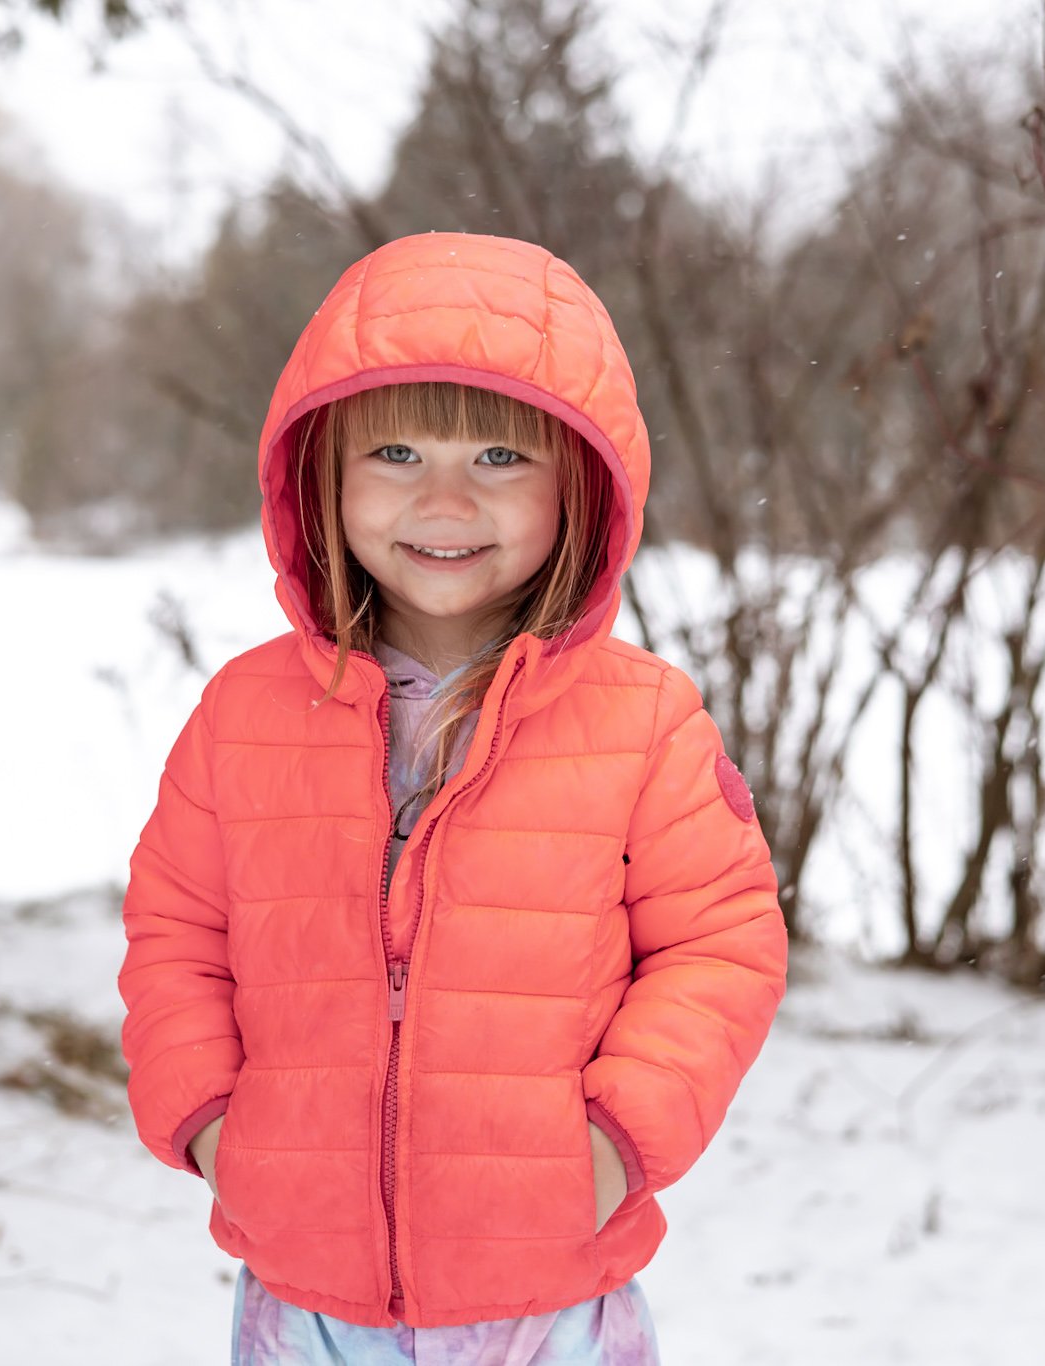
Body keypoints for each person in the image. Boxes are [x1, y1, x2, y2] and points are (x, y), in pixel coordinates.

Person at [117, 231, 790, 1364]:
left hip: (544, 1301)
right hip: (305, 1299)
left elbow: (719, 946)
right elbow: (175, 932)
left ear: (579, 480)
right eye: (392, 449)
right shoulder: (244, 714)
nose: (443, 497)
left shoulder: (641, 722)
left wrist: (612, 1144)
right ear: (318, 473)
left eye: (498, 458)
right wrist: (217, 1127)